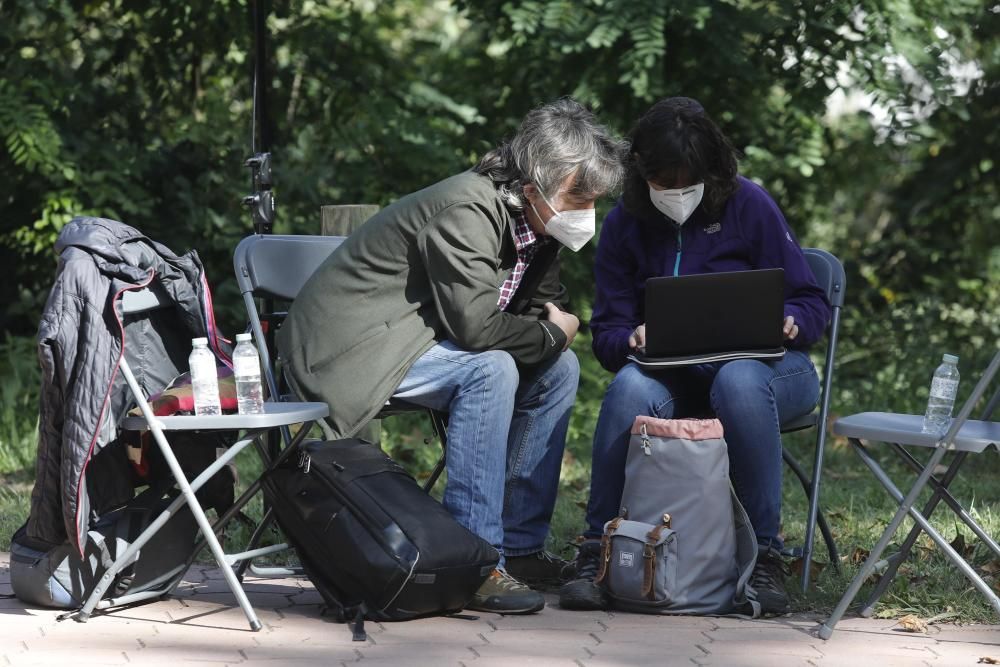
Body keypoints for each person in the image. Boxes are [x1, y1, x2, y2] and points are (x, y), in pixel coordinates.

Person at [278, 98, 625, 615]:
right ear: (532, 187)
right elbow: (480, 328)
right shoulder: (467, 210)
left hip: (412, 344)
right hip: (348, 355)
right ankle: (476, 564)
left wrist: (553, 339)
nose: (585, 212)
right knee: (492, 368)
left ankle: (521, 549)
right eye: (578, 197)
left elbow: (542, 311)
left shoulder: (537, 224)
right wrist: (553, 335)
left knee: (560, 369)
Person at [557, 97, 831, 615]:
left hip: (772, 371)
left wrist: (794, 319)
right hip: (674, 376)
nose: (677, 194)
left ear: (713, 170)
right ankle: (598, 552)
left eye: (689, 182)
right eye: (665, 183)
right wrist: (632, 339)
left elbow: (810, 301)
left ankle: (764, 559)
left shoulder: (750, 205)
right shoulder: (623, 226)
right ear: (641, 174)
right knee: (629, 388)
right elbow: (607, 336)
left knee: (739, 380)